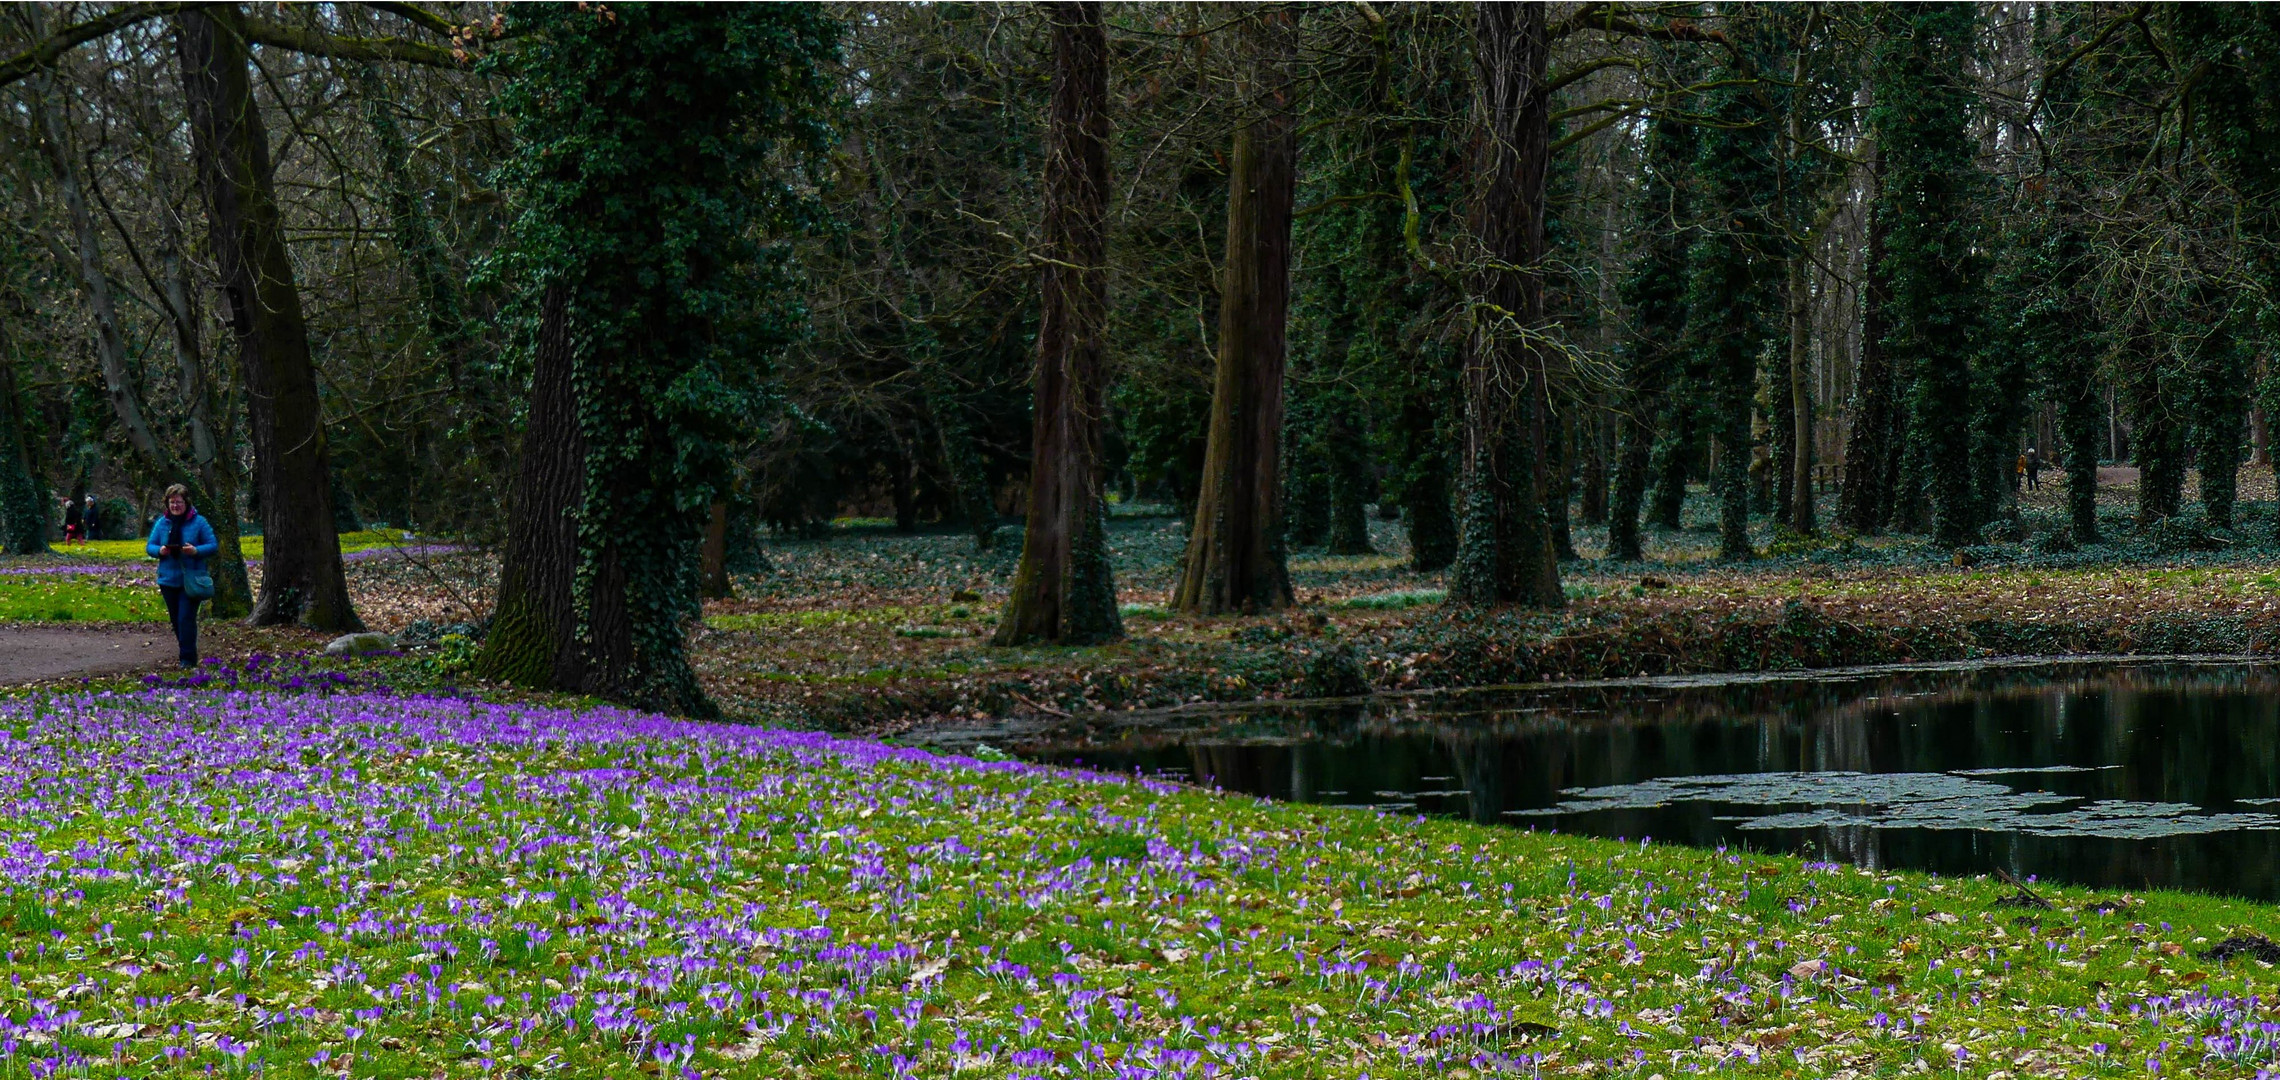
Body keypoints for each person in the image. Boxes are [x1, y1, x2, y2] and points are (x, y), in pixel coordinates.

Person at [147, 483, 218, 668]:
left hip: (191, 579)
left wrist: (195, 550)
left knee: (186, 618)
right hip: (168, 579)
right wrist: (160, 551)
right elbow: (150, 546)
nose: (175, 506)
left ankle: (187, 659)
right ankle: (186, 652)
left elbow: (212, 545)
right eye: (172, 502)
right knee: (176, 620)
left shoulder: (199, 522)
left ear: (186, 503)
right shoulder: (162, 523)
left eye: (178, 502)